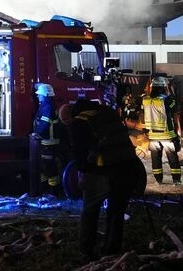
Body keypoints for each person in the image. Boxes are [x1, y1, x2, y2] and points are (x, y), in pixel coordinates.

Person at [58, 100, 141, 260]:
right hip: (127, 167)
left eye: (66, 123)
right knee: (116, 212)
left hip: (101, 170)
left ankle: (86, 251)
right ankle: (111, 251)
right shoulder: (107, 112)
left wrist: (82, 172)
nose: (67, 126)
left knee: (90, 210)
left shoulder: (79, 122)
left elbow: (79, 152)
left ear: (69, 116)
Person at [141, 75, 182, 184]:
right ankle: (176, 180)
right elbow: (175, 107)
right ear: (163, 87)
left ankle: (159, 180)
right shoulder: (167, 100)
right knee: (173, 158)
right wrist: (169, 91)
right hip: (167, 135)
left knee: (156, 159)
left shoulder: (145, 100)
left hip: (153, 136)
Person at [31, 83, 67, 190]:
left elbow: (44, 125)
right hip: (47, 142)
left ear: (45, 95)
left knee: (48, 168)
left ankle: (52, 192)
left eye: (40, 94)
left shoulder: (48, 107)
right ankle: (46, 190)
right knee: (45, 167)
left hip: (48, 143)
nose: (38, 96)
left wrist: (36, 133)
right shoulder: (47, 105)